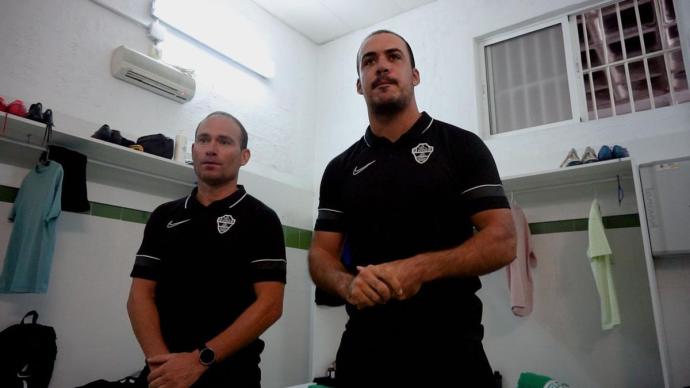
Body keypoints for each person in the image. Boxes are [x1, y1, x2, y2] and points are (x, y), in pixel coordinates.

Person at [308, 30, 517, 387]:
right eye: (369, 62)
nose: (382, 67)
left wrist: (419, 269)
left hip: (451, 352)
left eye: (394, 57)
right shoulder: (340, 168)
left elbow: (503, 239)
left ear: (414, 75)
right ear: (359, 84)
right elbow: (320, 255)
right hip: (364, 352)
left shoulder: (461, 147)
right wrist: (347, 285)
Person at [127, 112, 286, 388]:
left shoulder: (261, 218)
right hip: (164, 373)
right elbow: (139, 296)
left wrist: (198, 361)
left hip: (232, 375)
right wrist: (162, 364)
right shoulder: (164, 216)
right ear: (193, 150)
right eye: (204, 140)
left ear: (244, 156)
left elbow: (270, 305)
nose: (211, 149)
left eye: (224, 141)